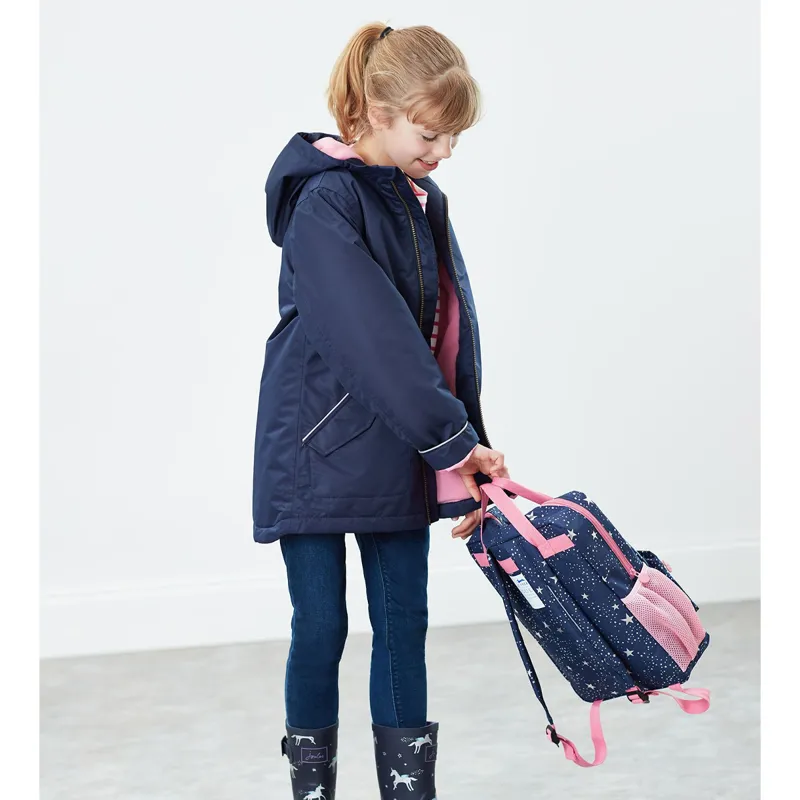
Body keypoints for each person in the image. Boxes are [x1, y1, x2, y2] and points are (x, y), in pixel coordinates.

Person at [253, 21, 513, 800]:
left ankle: (408, 791)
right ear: (375, 111)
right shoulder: (325, 201)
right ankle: (312, 791)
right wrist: (451, 440)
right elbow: (373, 337)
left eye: (455, 136)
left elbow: (443, 339)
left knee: (404, 627)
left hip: (399, 444)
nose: (445, 151)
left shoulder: (416, 199)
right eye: (431, 134)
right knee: (321, 626)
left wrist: (467, 452)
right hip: (314, 448)